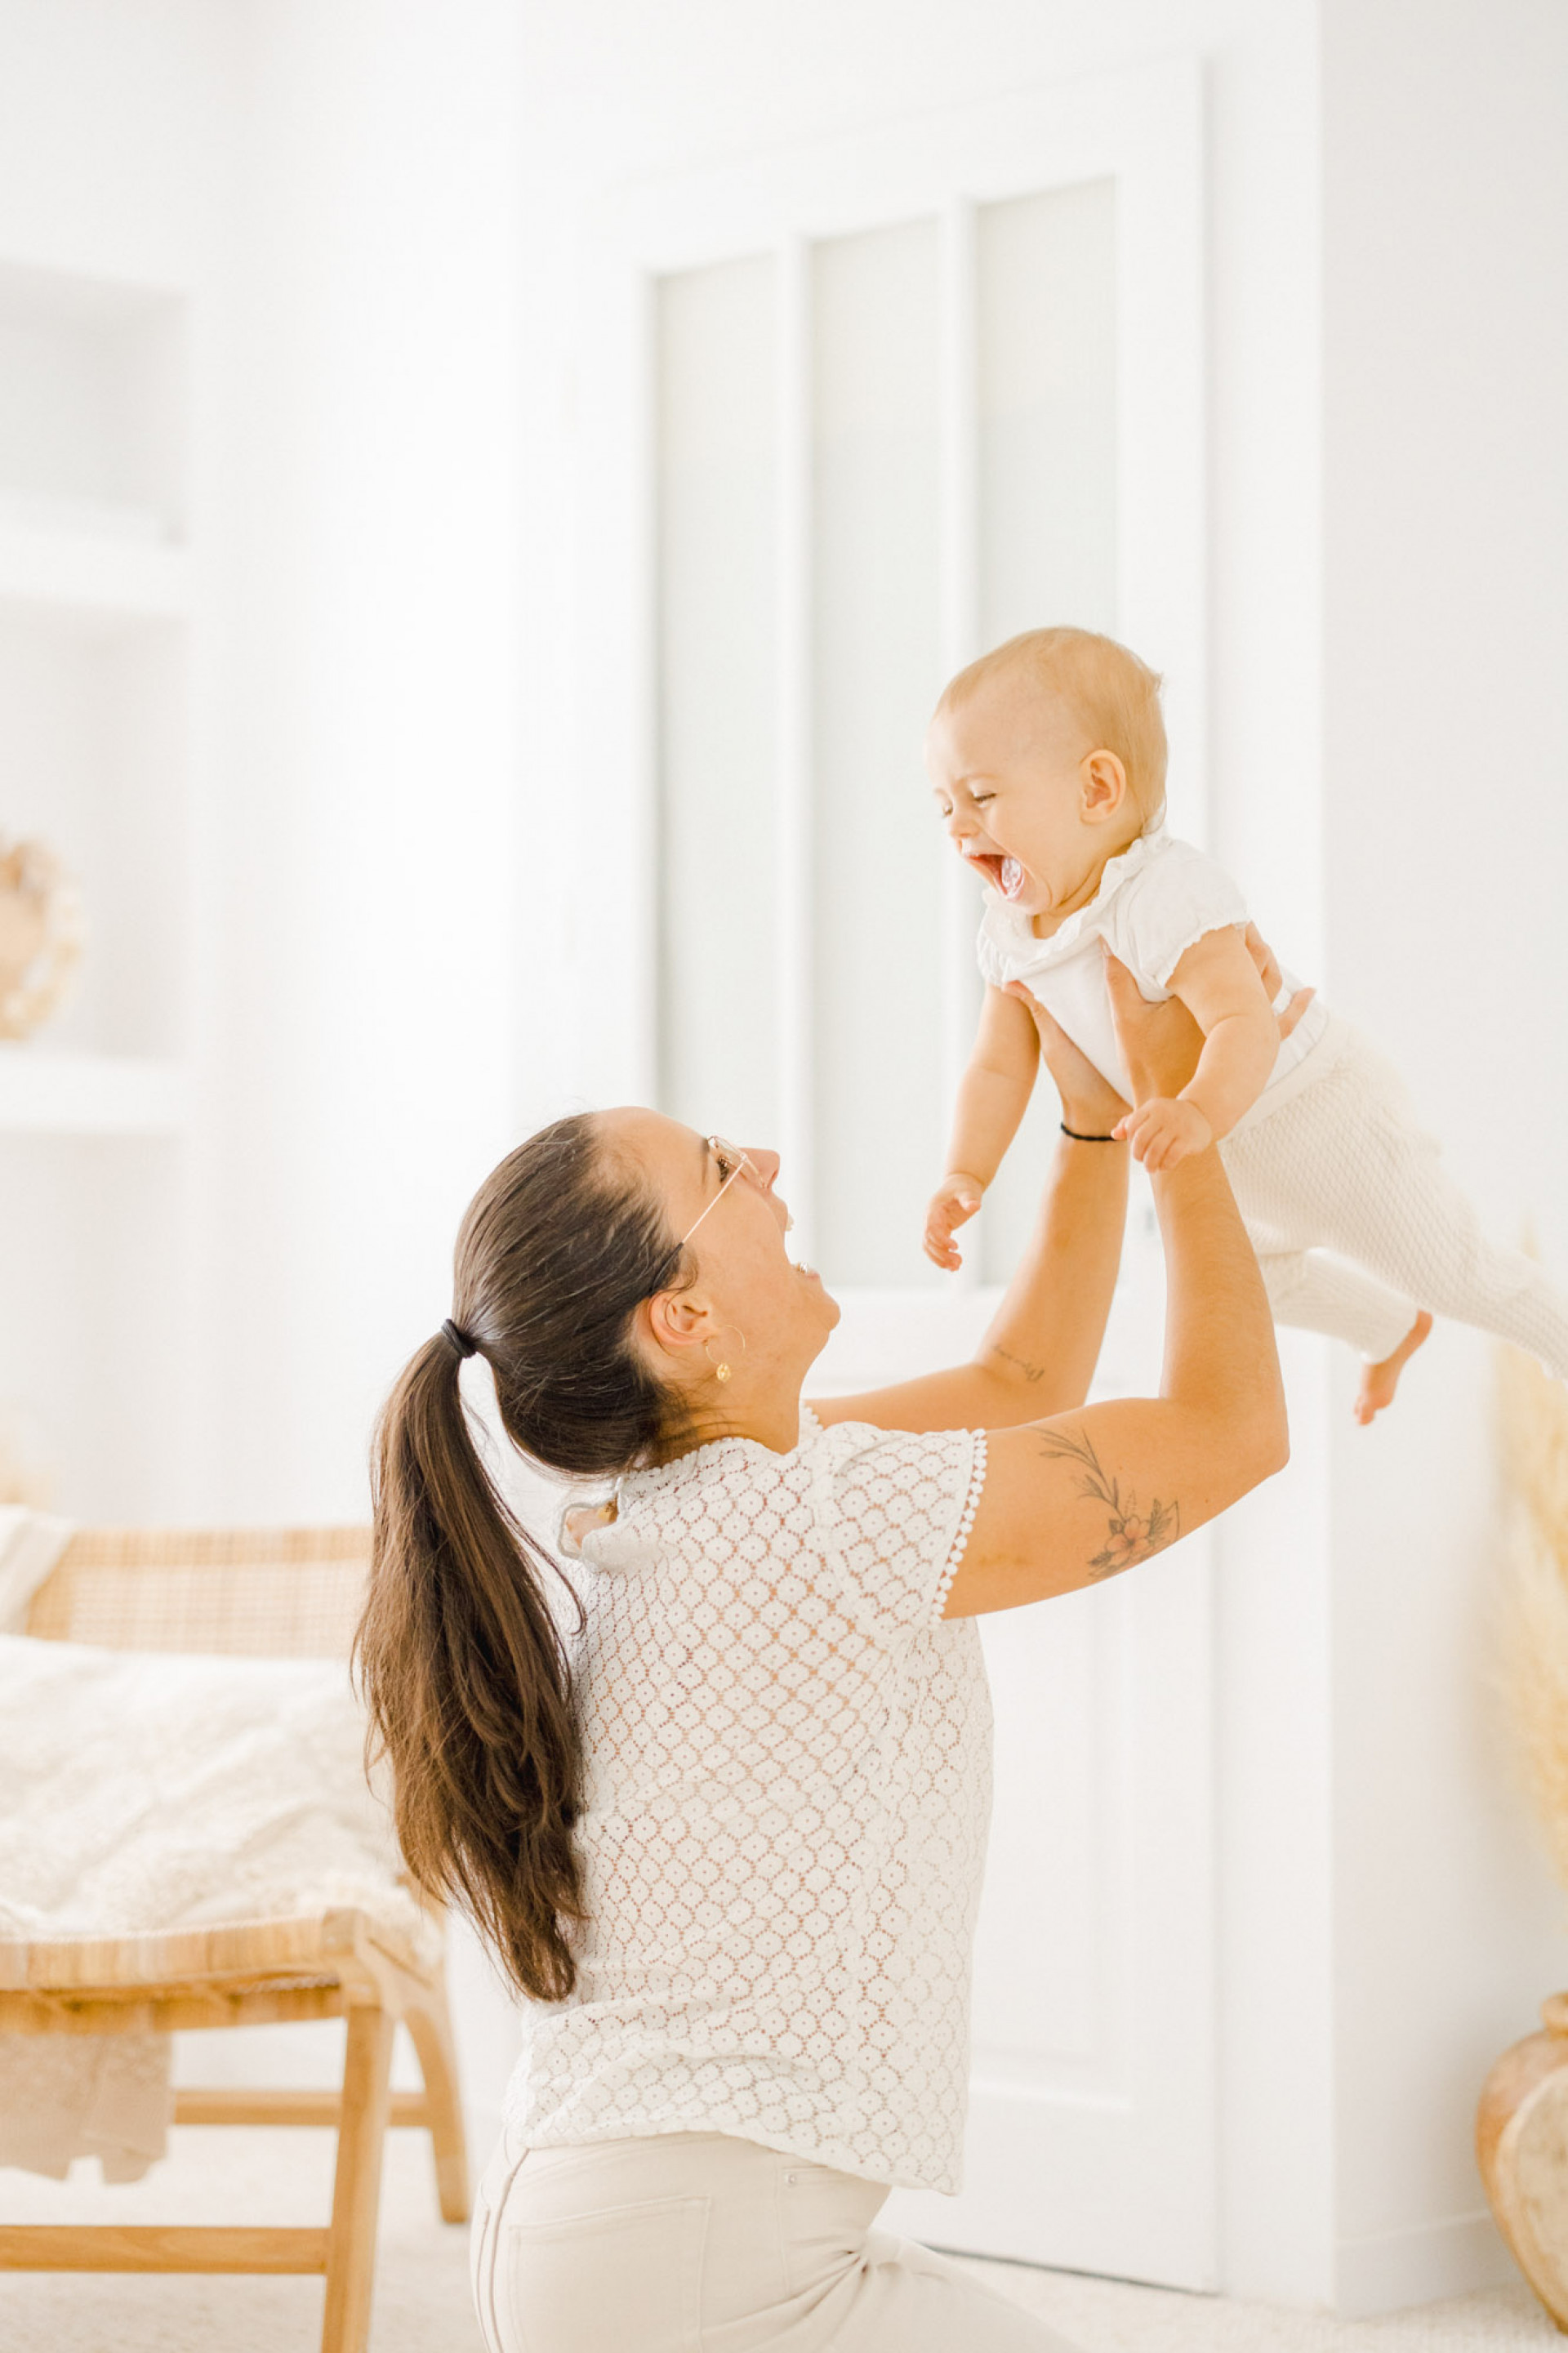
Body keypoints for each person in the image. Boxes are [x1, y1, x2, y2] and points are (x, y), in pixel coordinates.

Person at [355, 955, 1290, 2353]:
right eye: (724, 1168)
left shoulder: (724, 1503)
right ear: (684, 1323)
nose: (771, 1161)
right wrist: (1186, 1114)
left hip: (599, 2241)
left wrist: (1092, 1127)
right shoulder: (829, 1519)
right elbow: (1230, 1430)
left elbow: (1028, 1385)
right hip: (693, 2267)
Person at [924, 624, 1568, 1424]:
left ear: (1097, 790)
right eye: (945, 805)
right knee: (1225, 1274)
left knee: (1452, 1268)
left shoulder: (1162, 892)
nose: (957, 827)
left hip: (1315, 1113)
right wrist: (965, 1173)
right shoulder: (1011, 934)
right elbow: (997, 1064)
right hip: (1223, 1148)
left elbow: (1241, 1022)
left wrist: (1196, 1110)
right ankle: (1387, 1328)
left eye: (981, 797)